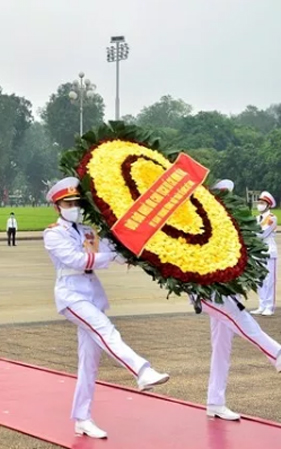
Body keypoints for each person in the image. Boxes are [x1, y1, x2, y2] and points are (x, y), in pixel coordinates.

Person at [43, 177, 169, 439]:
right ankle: (142, 372)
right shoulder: (53, 233)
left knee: (89, 362)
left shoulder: (89, 230)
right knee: (106, 330)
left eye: (77, 202)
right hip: (71, 295)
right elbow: (76, 259)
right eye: (68, 203)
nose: (74, 207)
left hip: (92, 294)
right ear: (57, 206)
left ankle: (82, 417)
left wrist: (133, 250)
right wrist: (110, 257)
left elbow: (114, 251)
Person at [190, 180, 281, 421]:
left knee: (222, 349)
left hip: (226, 289)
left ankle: (215, 402)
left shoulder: (224, 225)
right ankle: (277, 354)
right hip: (208, 292)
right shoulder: (199, 226)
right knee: (242, 319)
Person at [252, 191, 277, 316]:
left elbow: (263, 234)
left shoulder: (272, 218)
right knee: (259, 280)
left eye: (262, 203)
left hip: (269, 251)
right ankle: (261, 305)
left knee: (269, 280)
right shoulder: (257, 218)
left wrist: (250, 233)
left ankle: (269, 306)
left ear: (268, 205)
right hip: (258, 252)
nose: (259, 205)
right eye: (259, 203)